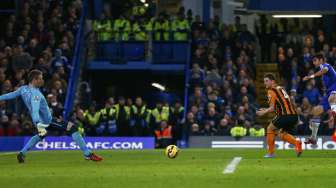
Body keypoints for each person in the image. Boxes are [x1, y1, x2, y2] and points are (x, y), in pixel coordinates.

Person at [0, 70, 103, 163]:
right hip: (47, 121)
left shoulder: (23, 89)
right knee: (73, 128)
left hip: (41, 120)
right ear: (35, 80)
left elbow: (11, 95)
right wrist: (38, 123)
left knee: (41, 135)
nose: (42, 80)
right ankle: (87, 153)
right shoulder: (36, 94)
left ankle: (22, 153)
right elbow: (35, 110)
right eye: (40, 78)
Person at [256, 73, 302, 158]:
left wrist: (263, 112)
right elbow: (284, 103)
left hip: (284, 116)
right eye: (264, 81)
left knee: (270, 128)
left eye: (266, 81)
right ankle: (297, 143)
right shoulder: (281, 88)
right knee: (281, 133)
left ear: (272, 81)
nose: (265, 83)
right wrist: (265, 109)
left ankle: (271, 153)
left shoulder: (271, 91)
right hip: (294, 116)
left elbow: (272, 108)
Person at [302, 53, 336, 144]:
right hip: (329, 93)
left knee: (331, 99)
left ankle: (333, 117)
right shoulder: (324, 77)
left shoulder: (325, 65)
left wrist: (310, 76)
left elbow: (324, 70)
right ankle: (313, 138)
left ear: (321, 60)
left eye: (315, 60)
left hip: (335, 90)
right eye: (313, 61)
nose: (313, 62)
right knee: (315, 111)